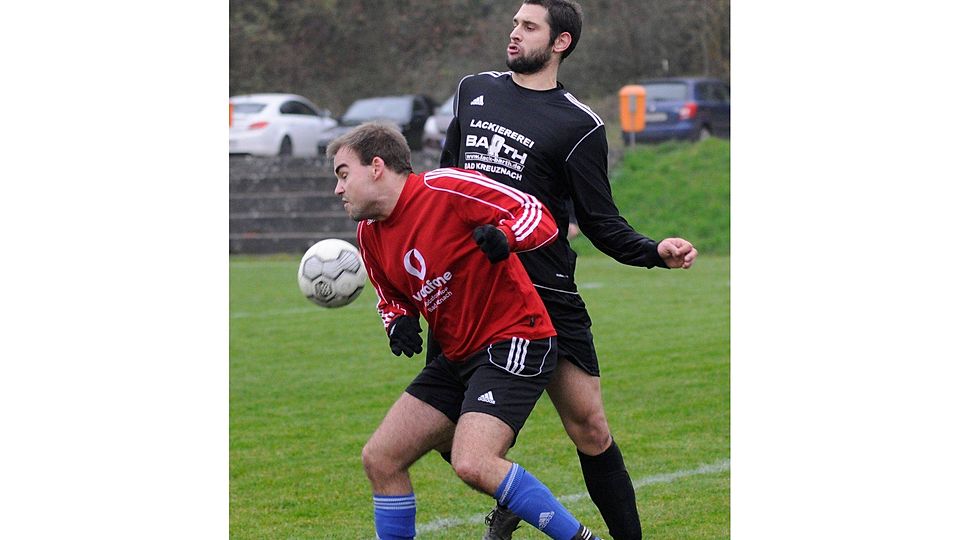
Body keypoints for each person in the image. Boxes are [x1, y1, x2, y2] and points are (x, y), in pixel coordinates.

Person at [438, 1, 699, 538]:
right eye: (514, 23)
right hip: (472, 290)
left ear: (561, 43)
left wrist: (654, 250)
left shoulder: (579, 125)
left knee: (590, 427)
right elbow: (443, 184)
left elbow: (601, 222)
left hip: (544, 293)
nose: (514, 34)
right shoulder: (473, 89)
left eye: (528, 27)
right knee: (440, 426)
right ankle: (510, 495)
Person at [328, 122, 604, 540]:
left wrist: (505, 238)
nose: (338, 188)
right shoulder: (369, 235)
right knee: (381, 459)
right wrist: (399, 320)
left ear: (377, 167)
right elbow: (389, 294)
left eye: (343, 173)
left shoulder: (445, 187)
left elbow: (537, 214)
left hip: (515, 338)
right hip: (458, 356)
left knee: (472, 461)